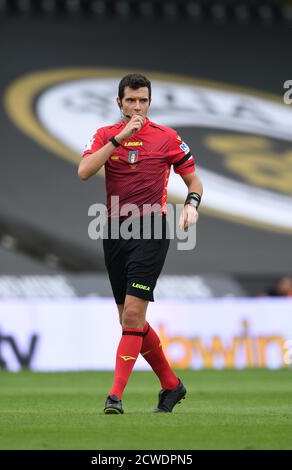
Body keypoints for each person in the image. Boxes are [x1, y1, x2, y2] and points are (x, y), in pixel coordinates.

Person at [78, 73, 203, 414]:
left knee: (133, 315)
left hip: (151, 229)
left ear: (150, 102)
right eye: (131, 100)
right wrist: (119, 139)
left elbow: (193, 179)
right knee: (129, 322)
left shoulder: (166, 137)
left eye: (143, 100)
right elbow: (85, 171)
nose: (137, 107)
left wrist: (191, 204)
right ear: (119, 102)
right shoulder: (106, 135)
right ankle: (172, 385)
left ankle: (115, 396)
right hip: (115, 232)